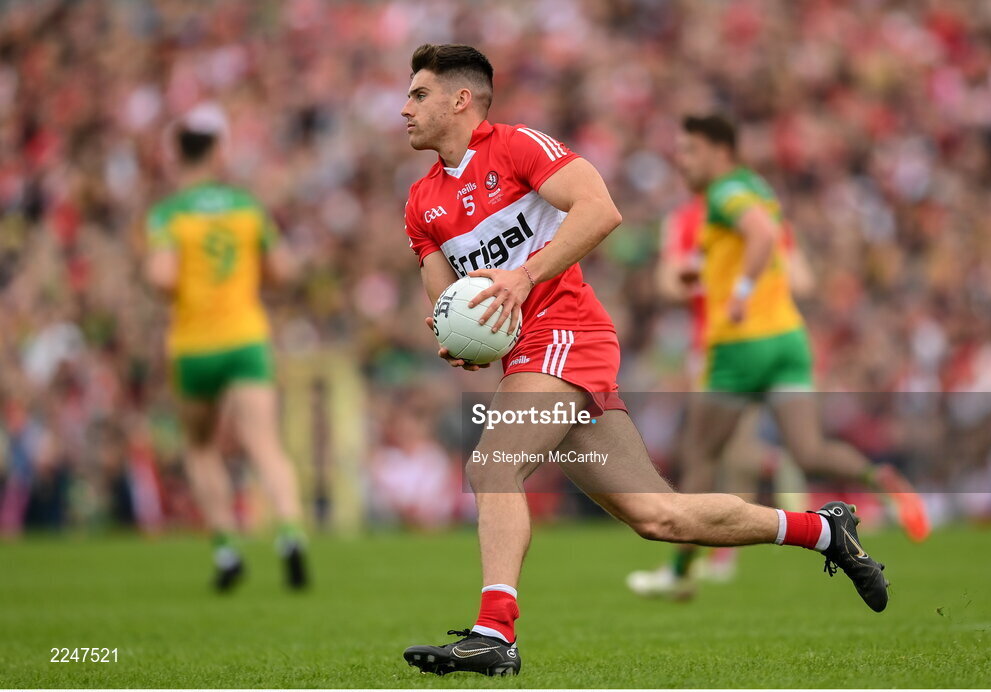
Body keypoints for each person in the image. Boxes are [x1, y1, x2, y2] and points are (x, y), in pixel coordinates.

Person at [399, 44, 889, 678]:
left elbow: (601, 209)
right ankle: (824, 531)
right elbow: (441, 294)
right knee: (660, 516)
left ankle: (496, 634)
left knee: (492, 465)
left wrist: (523, 278)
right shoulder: (420, 202)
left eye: (418, 95)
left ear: (460, 99)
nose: (404, 108)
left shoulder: (517, 147)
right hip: (526, 355)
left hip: (568, 333)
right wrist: (456, 337)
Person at [627, 115, 930, 602]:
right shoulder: (758, 190)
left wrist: (740, 290)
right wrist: (718, 273)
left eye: (690, 152)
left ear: (720, 152)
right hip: (788, 338)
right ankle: (882, 478)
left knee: (701, 459)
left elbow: (760, 237)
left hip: (737, 347)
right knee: (808, 451)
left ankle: (680, 570)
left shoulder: (724, 194)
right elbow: (787, 262)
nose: (681, 162)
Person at [145, 103, 308, 592]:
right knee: (264, 442)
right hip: (245, 337)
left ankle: (226, 549)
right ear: (217, 153)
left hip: (193, 343)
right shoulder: (246, 207)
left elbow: (162, 277)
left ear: (177, 156)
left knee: (200, 447)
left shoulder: (167, 214)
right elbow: (284, 271)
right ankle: (290, 534)